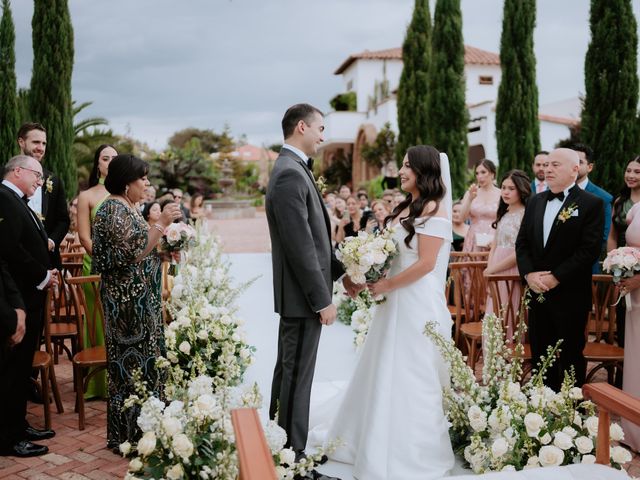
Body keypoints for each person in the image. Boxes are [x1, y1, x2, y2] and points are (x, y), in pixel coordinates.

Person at [316, 145, 455, 479]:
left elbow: (425, 264)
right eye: (403, 165)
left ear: (424, 171)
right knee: (381, 363)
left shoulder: (435, 211)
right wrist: (362, 276)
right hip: (392, 297)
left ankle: (412, 449)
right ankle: (364, 436)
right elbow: (388, 255)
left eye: (408, 166)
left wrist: (388, 286)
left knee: (412, 369)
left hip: (415, 300)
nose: (402, 171)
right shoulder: (407, 205)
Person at [265, 103, 357, 480]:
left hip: (301, 295)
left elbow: (316, 242)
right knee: (296, 376)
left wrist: (342, 271)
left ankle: (278, 445)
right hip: (303, 298)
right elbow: (300, 246)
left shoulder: (293, 169)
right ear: (301, 127)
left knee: (289, 372)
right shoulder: (289, 173)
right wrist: (322, 299)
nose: (323, 134)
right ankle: (293, 460)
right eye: (320, 127)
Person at [91, 154, 182, 450]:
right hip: (126, 306)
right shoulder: (113, 210)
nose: (146, 183)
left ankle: (148, 430)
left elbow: (146, 247)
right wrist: (162, 223)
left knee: (147, 367)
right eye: (141, 178)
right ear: (126, 182)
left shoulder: (128, 206)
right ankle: (129, 437)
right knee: (131, 371)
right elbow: (135, 252)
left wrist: (168, 247)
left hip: (141, 301)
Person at [516, 148, 603, 391]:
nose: (547, 169)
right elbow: (522, 243)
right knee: (540, 354)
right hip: (537, 292)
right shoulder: (535, 201)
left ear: (575, 169)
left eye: (555, 165)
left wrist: (556, 277)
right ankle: (541, 409)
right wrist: (529, 274)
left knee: (570, 356)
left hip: (570, 295)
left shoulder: (591, 204)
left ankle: (570, 415)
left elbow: (589, 250)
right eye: (546, 165)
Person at [0, 155, 58, 457]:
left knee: (23, 370)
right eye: (37, 175)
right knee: (13, 371)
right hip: (19, 298)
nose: (40, 181)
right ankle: (8, 437)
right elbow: (10, 250)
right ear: (18, 171)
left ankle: (19, 424)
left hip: (30, 295)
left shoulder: (17, 199)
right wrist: (42, 275)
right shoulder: (5, 199)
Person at [76, 144, 118, 399]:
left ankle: (119, 380)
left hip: (121, 267)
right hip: (95, 265)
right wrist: (104, 260)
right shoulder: (87, 196)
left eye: (115, 158)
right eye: (105, 158)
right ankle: (96, 385)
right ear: (97, 164)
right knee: (97, 321)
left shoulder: (125, 194)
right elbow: (83, 236)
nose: (110, 162)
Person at [484, 170, 530, 340]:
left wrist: (494, 269)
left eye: (511, 188)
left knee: (509, 313)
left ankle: (509, 359)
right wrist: (490, 268)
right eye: (503, 187)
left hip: (511, 270)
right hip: (496, 267)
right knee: (494, 311)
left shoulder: (525, 214)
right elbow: (495, 244)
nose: (505, 192)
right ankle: (492, 357)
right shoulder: (504, 212)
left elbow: (520, 252)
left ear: (521, 190)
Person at [17, 123, 70, 269]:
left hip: (46, 261)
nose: (41, 148)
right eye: (35, 142)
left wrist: (51, 241)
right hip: (12, 263)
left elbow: (63, 220)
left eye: (44, 143)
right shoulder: (4, 177)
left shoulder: (53, 180)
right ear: (21, 142)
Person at [608, 156, 640, 347]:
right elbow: (612, 236)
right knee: (622, 316)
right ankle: (622, 373)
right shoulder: (620, 201)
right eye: (628, 170)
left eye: (637, 172)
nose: (631, 175)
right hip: (622, 267)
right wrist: (614, 263)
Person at [616, 202, 640, 451]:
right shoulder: (636, 209)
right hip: (635, 297)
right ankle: (634, 430)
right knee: (635, 358)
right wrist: (619, 269)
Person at [573, 143, 613, 273]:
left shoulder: (603, 198)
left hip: (586, 268)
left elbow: (601, 237)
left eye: (580, 162)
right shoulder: (556, 193)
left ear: (590, 167)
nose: (575, 166)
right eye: (572, 161)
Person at [460, 159, 501, 252]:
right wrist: (470, 199)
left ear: (492, 174)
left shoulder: (501, 194)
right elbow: (462, 218)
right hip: (473, 238)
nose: (480, 176)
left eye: (483, 172)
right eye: (477, 173)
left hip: (494, 238)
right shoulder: (470, 193)